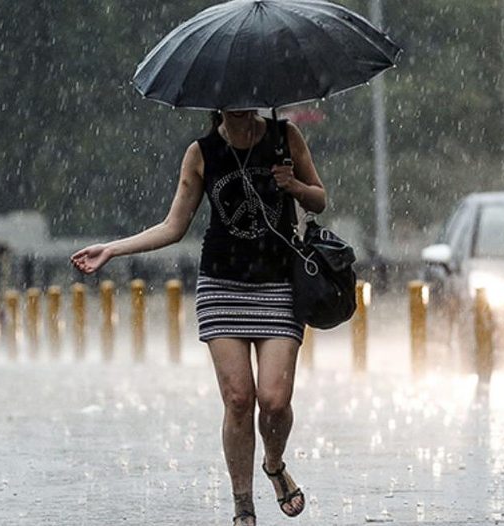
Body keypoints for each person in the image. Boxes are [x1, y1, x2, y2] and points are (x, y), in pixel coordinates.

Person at [70, 110, 326, 525]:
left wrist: (293, 185)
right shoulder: (202, 152)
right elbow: (173, 226)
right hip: (221, 286)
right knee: (239, 399)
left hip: (279, 285)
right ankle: (243, 504)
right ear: (216, 103)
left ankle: (274, 463)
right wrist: (113, 248)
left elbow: (320, 199)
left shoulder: (285, 136)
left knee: (275, 401)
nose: (238, 105)